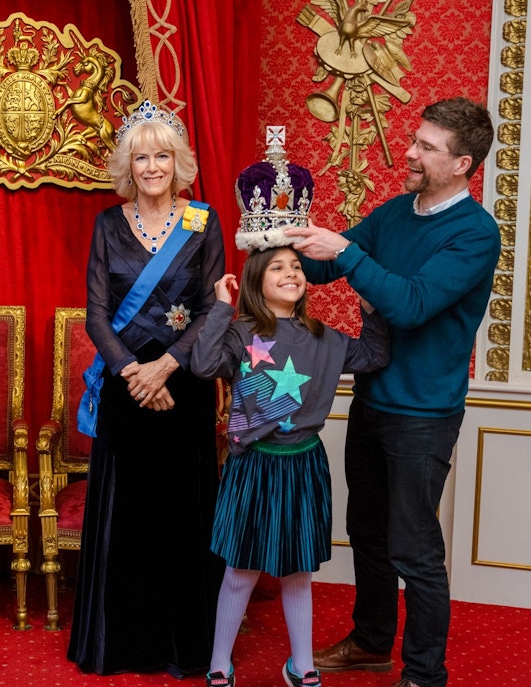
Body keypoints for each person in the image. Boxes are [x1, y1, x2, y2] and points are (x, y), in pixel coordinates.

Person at [285, 97, 499, 687]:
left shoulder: (476, 234)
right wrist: (280, 240)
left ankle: (425, 675)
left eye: (427, 146)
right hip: (373, 400)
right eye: (415, 139)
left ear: (461, 164)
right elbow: (328, 267)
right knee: (369, 534)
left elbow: (411, 305)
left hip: (424, 414)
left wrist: (348, 253)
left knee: (415, 549)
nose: (409, 151)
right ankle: (372, 642)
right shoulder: (396, 211)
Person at [192, 140, 389, 687]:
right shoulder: (238, 333)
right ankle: (218, 663)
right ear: (255, 277)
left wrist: (368, 302)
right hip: (253, 464)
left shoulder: (325, 340)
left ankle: (301, 665)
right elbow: (204, 365)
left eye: (297, 266)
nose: (292, 273)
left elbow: (375, 355)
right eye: (277, 265)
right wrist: (219, 307)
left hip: (302, 464)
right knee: (240, 571)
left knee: (299, 571)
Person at [67, 100, 226, 678]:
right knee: (126, 516)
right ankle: (121, 642)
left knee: (181, 515)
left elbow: (213, 309)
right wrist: (135, 372)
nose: (152, 166)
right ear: (127, 166)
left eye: (162, 155)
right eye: (142, 157)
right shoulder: (108, 225)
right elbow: (96, 313)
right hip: (125, 387)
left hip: (183, 389)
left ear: (178, 162)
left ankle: (183, 644)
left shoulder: (202, 221)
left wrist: (167, 368)